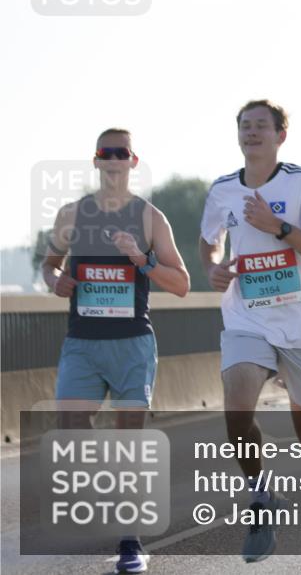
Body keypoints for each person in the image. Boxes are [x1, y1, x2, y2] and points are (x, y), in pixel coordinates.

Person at [198, 100, 301, 573]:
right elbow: (208, 241)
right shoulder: (223, 190)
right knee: (236, 414)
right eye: (245, 126)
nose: (252, 133)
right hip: (247, 318)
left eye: (262, 125)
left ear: (281, 134)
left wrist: (278, 227)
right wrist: (214, 268)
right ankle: (262, 499)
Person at [42, 128, 190, 573]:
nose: (113, 160)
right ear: (95, 161)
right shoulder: (72, 215)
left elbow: (181, 284)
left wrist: (141, 259)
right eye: (105, 153)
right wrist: (56, 282)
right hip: (82, 342)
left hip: (131, 344)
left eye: (120, 153)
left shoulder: (149, 218)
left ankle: (131, 540)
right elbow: (49, 265)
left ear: (132, 161)